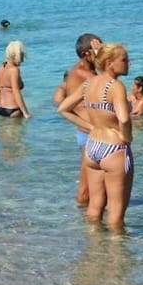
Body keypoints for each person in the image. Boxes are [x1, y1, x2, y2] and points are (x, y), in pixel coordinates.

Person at [58, 43, 134, 230]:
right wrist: (127, 138)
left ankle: (94, 249)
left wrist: (90, 126)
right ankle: (118, 255)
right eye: (124, 59)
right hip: (114, 149)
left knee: (94, 207)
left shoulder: (89, 83)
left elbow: (63, 109)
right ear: (110, 63)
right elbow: (123, 119)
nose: (128, 63)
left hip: (92, 148)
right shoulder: (115, 86)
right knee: (116, 213)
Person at [52, 33, 103, 205]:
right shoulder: (81, 73)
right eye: (97, 49)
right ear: (86, 54)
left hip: (92, 133)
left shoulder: (90, 71)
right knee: (86, 186)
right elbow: (107, 83)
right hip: (89, 133)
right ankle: (83, 224)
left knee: (97, 185)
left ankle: (87, 220)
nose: (102, 53)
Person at [0, 40, 30, 118]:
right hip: (12, 109)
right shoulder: (14, 70)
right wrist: (26, 113)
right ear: (17, 55)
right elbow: (16, 91)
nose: (23, 58)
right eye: (22, 54)